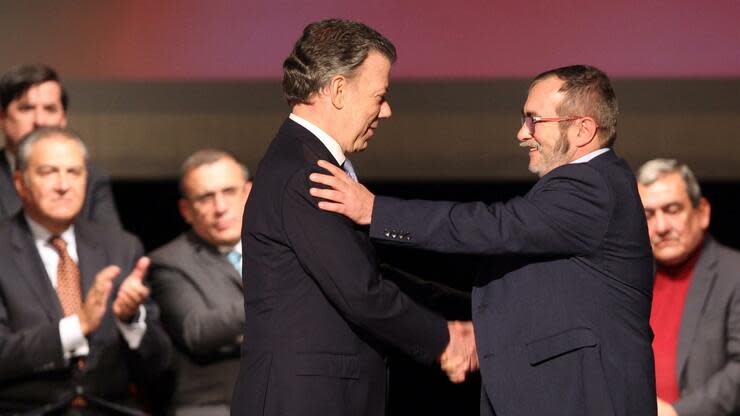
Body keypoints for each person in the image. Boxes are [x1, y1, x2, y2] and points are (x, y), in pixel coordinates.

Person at [310, 64, 656, 415]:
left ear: (583, 129)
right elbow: (514, 279)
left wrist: (375, 210)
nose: (522, 133)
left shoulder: (593, 185)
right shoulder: (583, 190)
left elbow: (495, 227)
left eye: (534, 120)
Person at [231, 18, 476, 416]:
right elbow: (361, 291)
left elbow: (369, 274)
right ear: (339, 90)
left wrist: (473, 308)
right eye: (380, 96)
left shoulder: (310, 161)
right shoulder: (304, 171)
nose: (387, 111)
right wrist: (444, 339)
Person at [0, 127, 172, 414]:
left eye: (74, 172)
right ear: (20, 183)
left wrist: (132, 320)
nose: (63, 184)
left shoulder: (120, 247)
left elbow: (160, 363)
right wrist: (76, 327)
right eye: (48, 172)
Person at [148, 149, 252, 416]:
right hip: (211, 406)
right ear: (186, 210)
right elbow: (197, 330)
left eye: (229, 192)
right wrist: (274, 302)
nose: (220, 208)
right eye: (206, 197)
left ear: (248, 193)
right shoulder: (168, 261)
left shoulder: (281, 250)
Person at [637, 158, 740, 416]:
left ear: (701, 212)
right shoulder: (629, 279)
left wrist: (677, 413)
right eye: (648, 215)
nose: (661, 227)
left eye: (672, 210)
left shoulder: (733, 273)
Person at [0, 63, 120, 226]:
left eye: (50, 109)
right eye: (26, 108)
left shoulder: (91, 177)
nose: (39, 121)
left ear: (63, 119)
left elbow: (110, 244)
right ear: (2, 117)